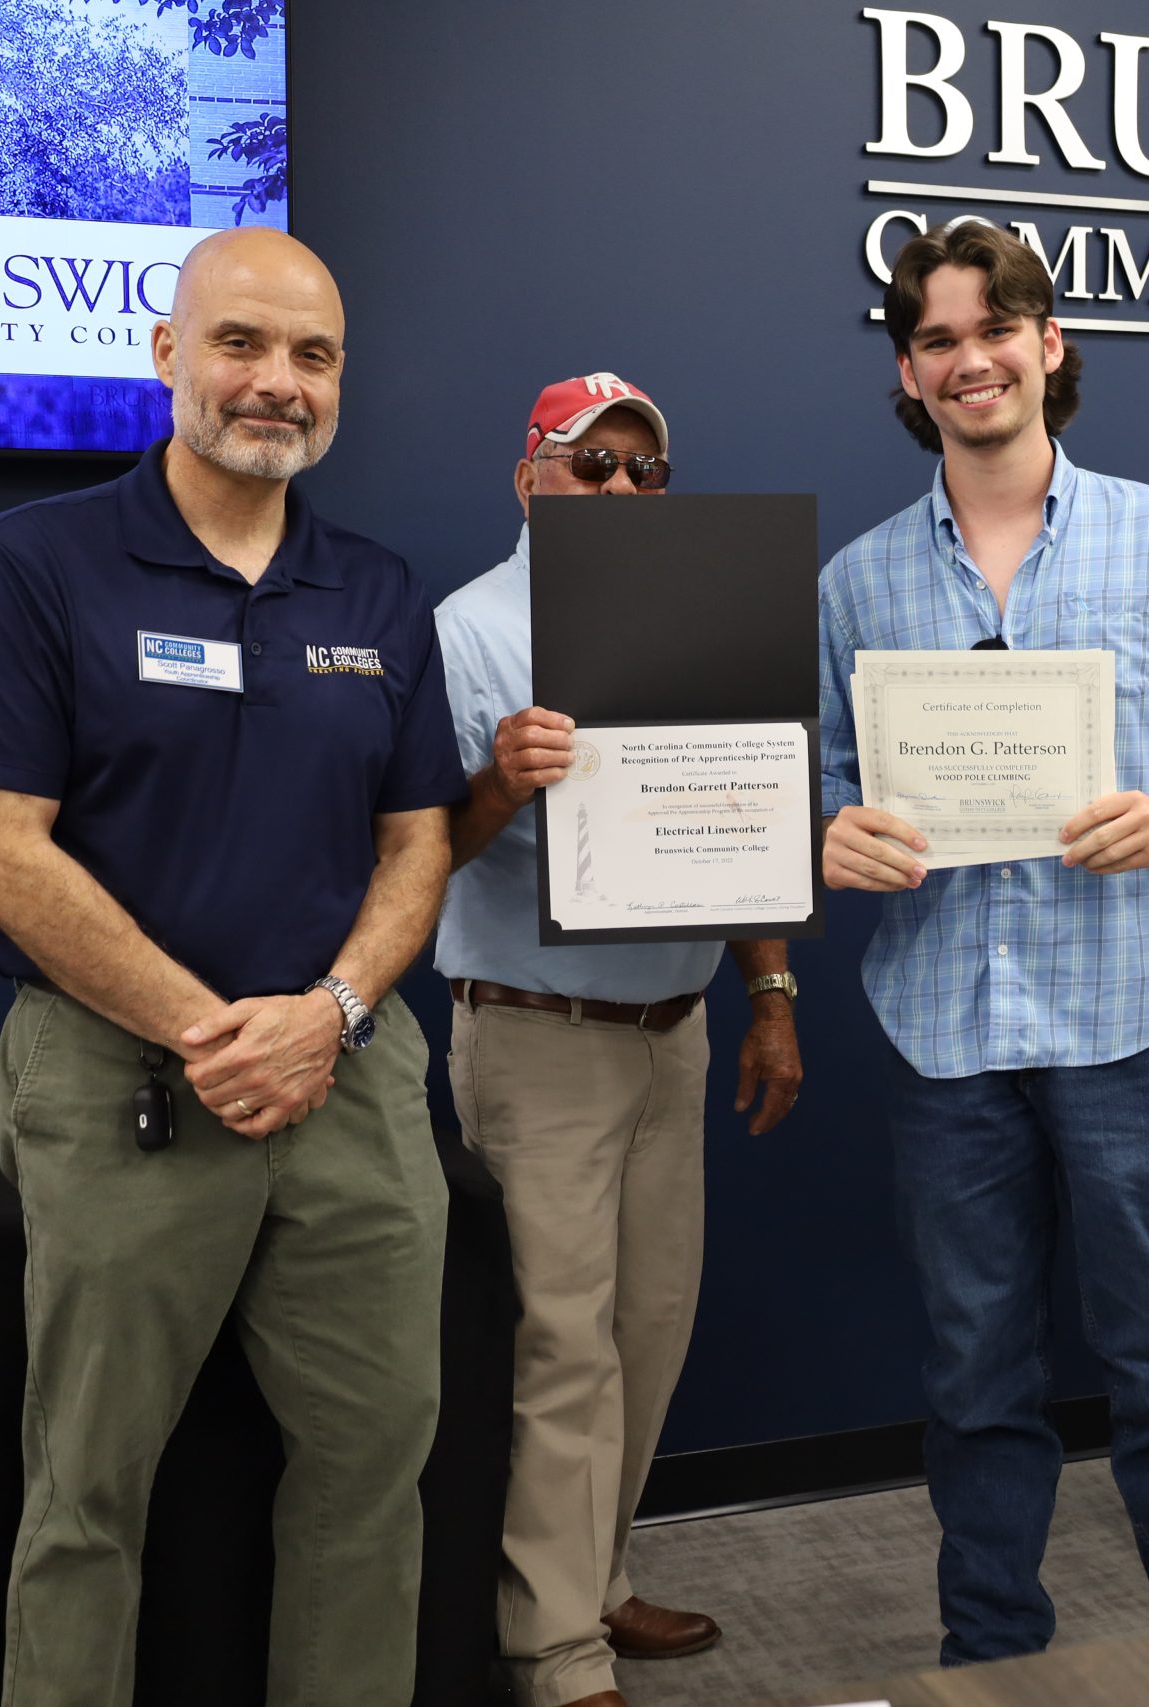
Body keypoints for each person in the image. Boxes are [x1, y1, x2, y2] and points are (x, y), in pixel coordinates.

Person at [0, 228, 459, 1705]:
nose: (278, 382)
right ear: (167, 355)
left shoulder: (378, 589)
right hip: (122, 1076)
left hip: (351, 1073)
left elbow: (419, 845)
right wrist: (219, 1029)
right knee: (87, 1488)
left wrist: (328, 1015)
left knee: (372, 1466)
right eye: (242, 343)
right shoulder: (32, 564)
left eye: (314, 355)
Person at [816, 220, 1149, 1664]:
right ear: (911, 370)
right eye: (942, 339)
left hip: (1127, 1016)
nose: (973, 360)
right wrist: (834, 832)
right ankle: (992, 1657)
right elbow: (833, 775)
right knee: (975, 1376)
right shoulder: (859, 580)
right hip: (943, 1028)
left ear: (1050, 344)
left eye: (997, 328)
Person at [435, 372, 804, 1707]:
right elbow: (422, 852)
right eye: (592, 466)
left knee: (648, 1323)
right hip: (539, 1034)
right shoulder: (467, 629)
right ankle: (551, 1644)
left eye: (645, 472)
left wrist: (770, 990)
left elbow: (739, 811)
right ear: (530, 473)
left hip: (675, 1023)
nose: (619, 492)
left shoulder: (696, 611)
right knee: (559, 1344)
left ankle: (595, 1580)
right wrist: (500, 779)